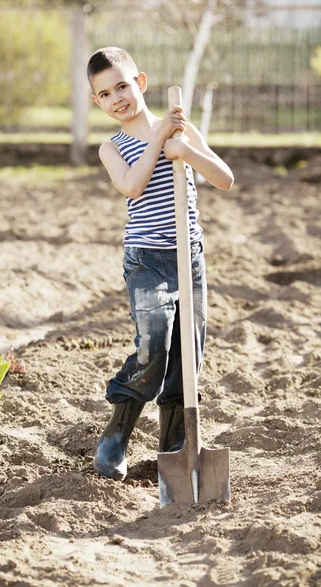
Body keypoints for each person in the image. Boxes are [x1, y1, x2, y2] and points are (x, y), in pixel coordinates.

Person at [87, 47, 234, 481]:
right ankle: (117, 431)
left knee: (189, 354)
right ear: (97, 102)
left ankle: (174, 441)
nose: (117, 98)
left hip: (189, 260)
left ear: (141, 83)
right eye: (105, 93)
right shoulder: (111, 146)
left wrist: (186, 151)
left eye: (123, 86)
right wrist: (159, 143)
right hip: (146, 260)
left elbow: (224, 178)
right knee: (154, 343)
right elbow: (132, 186)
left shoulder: (181, 130)